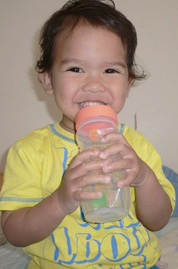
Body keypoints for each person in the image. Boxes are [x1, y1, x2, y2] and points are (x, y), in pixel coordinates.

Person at [0, 0, 175, 268]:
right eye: (76, 69)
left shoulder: (136, 145)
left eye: (110, 70)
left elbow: (158, 220)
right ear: (47, 79)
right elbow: (15, 233)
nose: (94, 84)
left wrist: (143, 177)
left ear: (128, 84)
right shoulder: (28, 151)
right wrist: (60, 201)